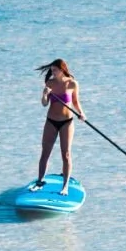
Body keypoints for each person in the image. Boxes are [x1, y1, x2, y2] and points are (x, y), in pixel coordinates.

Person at [34, 58, 85, 195]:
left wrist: (81, 113)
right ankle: (39, 181)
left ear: (62, 70)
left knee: (66, 154)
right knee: (45, 152)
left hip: (67, 122)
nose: (53, 72)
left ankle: (65, 186)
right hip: (51, 121)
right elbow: (45, 104)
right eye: (52, 70)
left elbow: (75, 101)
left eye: (55, 70)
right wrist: (45, 94)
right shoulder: (49, 83)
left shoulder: (72, 84)